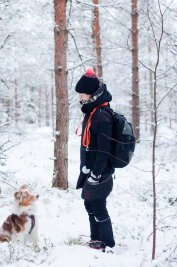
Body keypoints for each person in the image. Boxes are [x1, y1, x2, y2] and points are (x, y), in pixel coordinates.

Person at [75, 68, 115, 252]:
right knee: (90, 204)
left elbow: (104, 150)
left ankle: (107, 242)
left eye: (81, 94)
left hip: (99, 173)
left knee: (98, 206)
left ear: (91, 94)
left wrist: (96, 173)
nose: (79, 98)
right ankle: (96, 238)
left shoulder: (102, 116)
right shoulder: (92, 113)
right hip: (91, 171)